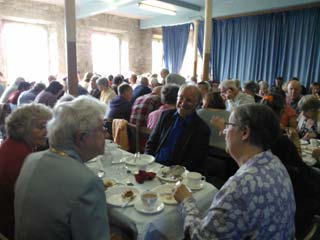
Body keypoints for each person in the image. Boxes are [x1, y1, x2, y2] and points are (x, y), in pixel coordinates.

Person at [174, 104, 295, 239]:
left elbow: (201, 237)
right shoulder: (275, 163)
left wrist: (186, 201)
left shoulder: (240, 185)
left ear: (244, 132)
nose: (224, 131)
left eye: (228, 125)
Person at [14, 96, 111, 240]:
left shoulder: (32, 159)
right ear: (82, 137)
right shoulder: (87, 183)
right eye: (102, 128)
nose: (107, 134)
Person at [0, 104, 52, 240]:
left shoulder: (11, 145)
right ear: (22, 129)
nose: (47, 132)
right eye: (41, 127)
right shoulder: (20, 155)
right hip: (15, 227)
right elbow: (39, 201)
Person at [145, 85, 210, 174]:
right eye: (181, 98)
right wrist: (148, 163)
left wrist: (171, 173)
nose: (183, 103)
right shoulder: (165, 116)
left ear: (197, 104)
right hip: (154, 167)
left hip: (176, 174)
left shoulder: (202, 129)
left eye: (189, 100)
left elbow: (193, 161)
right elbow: (151, 143)